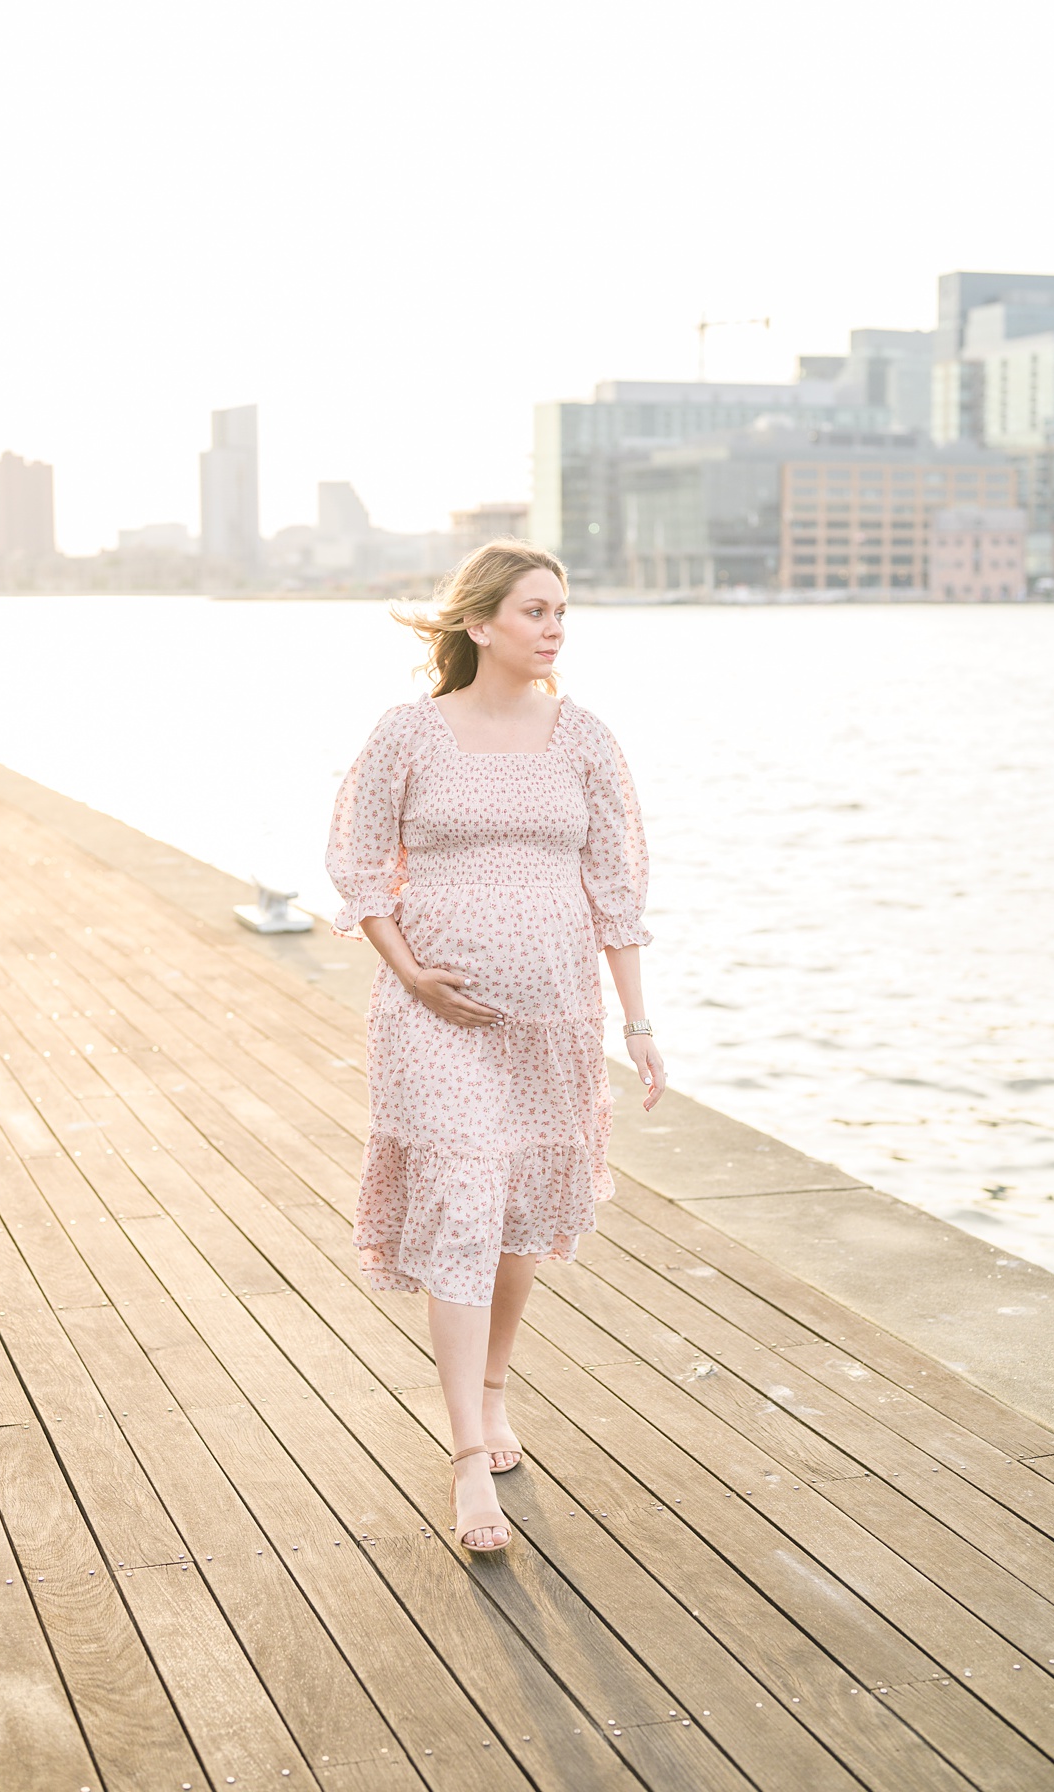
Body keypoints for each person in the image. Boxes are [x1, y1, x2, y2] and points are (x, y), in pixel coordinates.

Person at [324, 540, 664, 1555]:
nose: (554, 626)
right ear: (479, 625)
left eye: (561, 608)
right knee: (467, 1200)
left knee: (516, 1214)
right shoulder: (409, 735)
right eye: (533, 610)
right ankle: (470, 1460)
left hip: (554, 1019)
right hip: (434, 1020)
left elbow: (619, 889)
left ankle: (492, 1388)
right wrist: (412, 972)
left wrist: (639, 1023)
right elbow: (354, 866)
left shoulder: (587, 740)